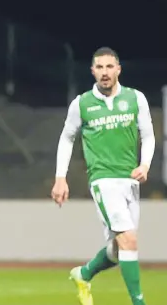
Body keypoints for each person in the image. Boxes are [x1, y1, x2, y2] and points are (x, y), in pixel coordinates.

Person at [51, 47, 155, 305]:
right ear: (92, 71)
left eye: (110, 67)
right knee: (129, 240)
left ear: (119, 69)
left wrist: (145, 164)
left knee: (120, 249)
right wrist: (60, 177)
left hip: (130, 180)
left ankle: (83, 274)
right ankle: (139, 303)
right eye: (100, 67)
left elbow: (149, 135)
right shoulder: (82, 103)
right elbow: (67, 138)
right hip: (103, 180)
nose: (105, 72)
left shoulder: (135, 98)